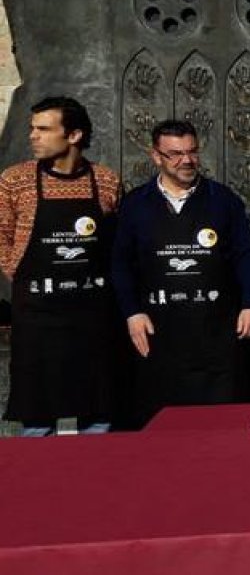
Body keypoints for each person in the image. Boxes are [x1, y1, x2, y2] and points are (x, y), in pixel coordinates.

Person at [112, 120, 250, 424]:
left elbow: (246, 255)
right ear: (156, 156)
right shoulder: (136, 204)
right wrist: (132, 312)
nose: (187, 160)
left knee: (220, 421)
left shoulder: (223, 200)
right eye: (176, 154)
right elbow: (121, 262)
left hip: (215, 330)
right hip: (158, 329)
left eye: (192, 152)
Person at [0, 97, 121, 436]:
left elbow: (113, 242)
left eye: (43, 129)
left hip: (92, 313)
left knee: (98, 410)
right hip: (37, 314)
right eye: (32, 129)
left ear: (74, 135)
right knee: (37, 415)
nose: (33, 136)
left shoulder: (106, 181)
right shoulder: (15, 180)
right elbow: (2, 234)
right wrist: (16, 270)